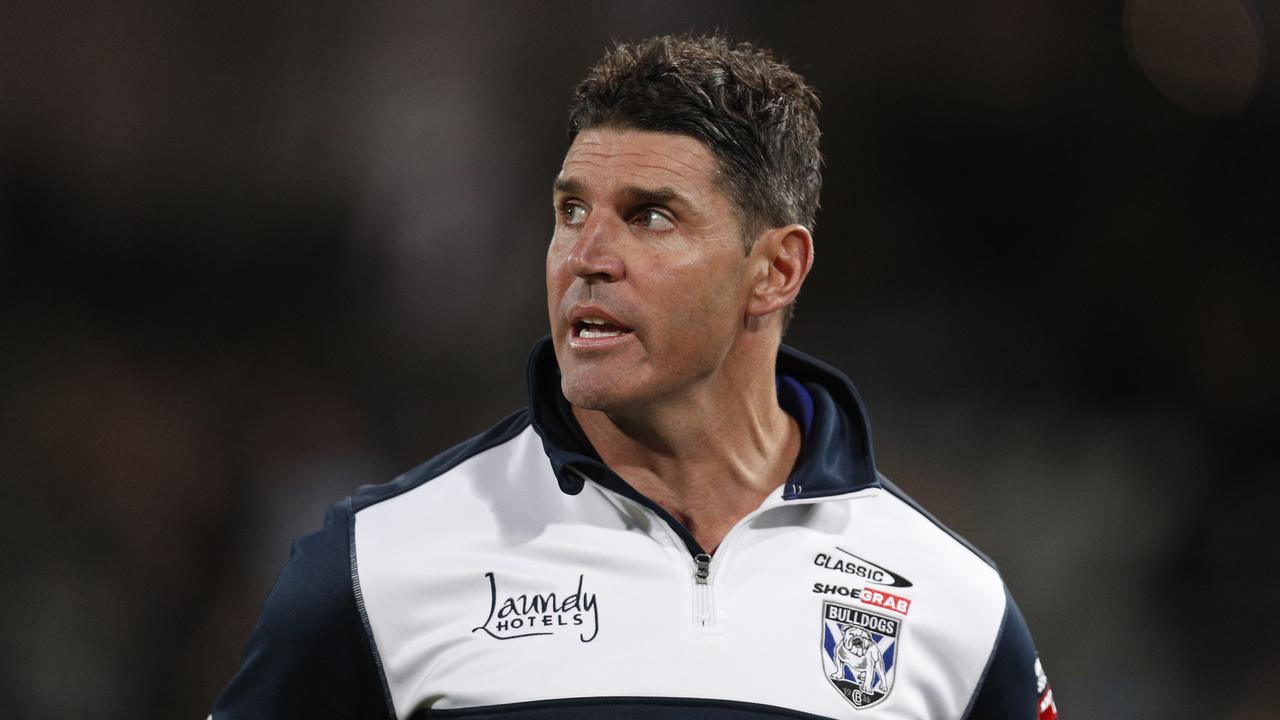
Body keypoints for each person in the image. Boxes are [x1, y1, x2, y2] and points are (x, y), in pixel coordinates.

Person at [211, 34, 1058, 720]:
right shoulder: (373, 566)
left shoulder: (955, 606)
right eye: (570, 211)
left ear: (775, 271)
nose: (585, 257)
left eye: (649, 216)